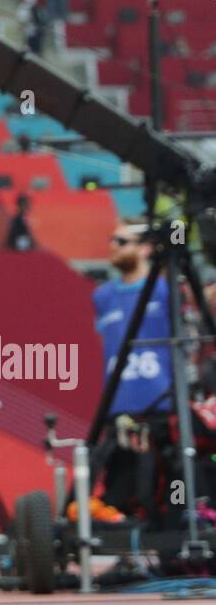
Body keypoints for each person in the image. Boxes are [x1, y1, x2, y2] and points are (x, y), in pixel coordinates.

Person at [91, 221, 173, 516]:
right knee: (117, 497)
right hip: (118, 409)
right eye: (112, 240)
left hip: (162, 408)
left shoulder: (166, 290)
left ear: (145, 248)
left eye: (122, 241)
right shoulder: (102, 296)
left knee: (165, 494)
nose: (113, 245)